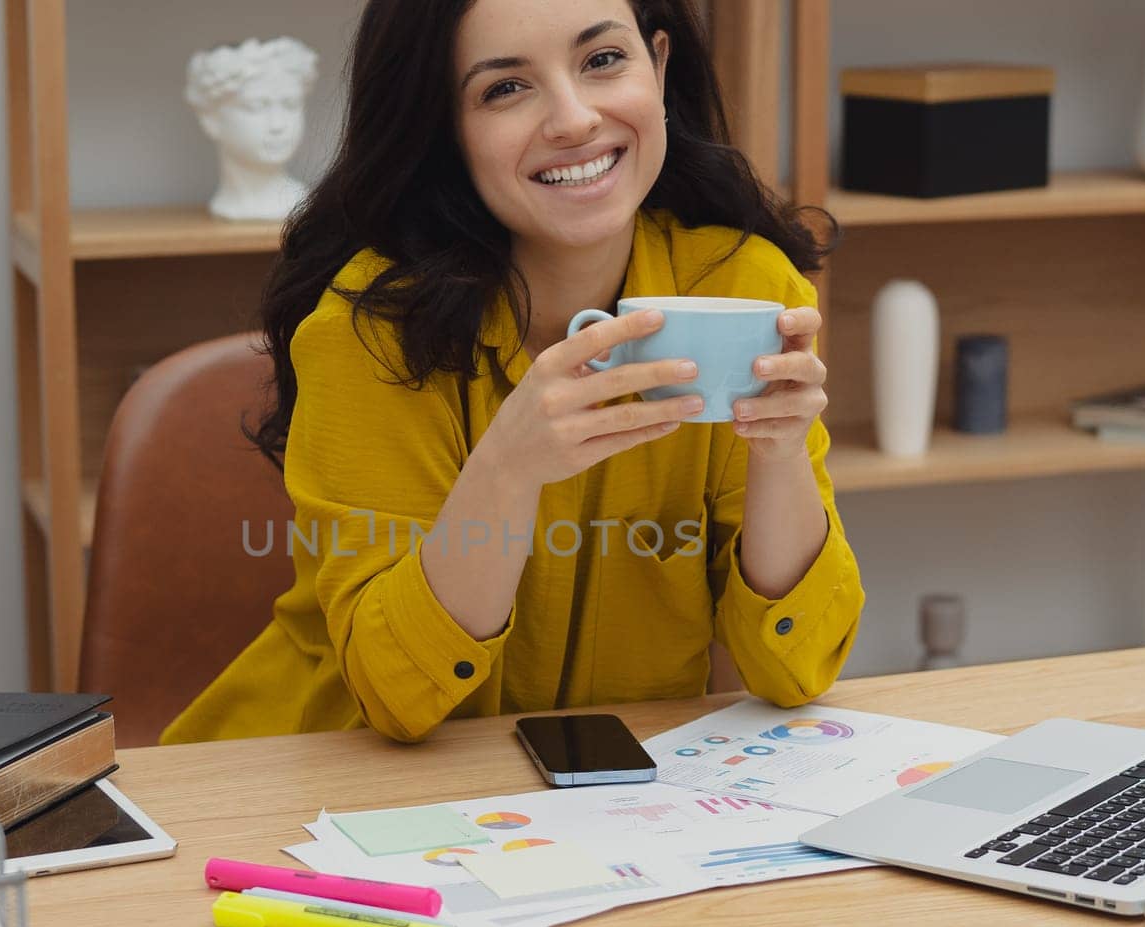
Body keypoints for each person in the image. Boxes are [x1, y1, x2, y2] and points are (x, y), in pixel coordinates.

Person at [163, 0, 864, 745]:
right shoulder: (369, 331)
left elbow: (798, 668)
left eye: (602, 61)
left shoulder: (746, 290)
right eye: (505, 88)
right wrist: (507, 468)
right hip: (314, 786)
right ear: (445, 127)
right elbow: (396, 694)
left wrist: (782, 454)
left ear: (659, 67)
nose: (572, 120)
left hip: (594, 808)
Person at [185, 36, 319, 221]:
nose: (277, 125)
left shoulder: (302, 203)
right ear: (211, 118)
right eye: (256, 106)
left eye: (291, 104)